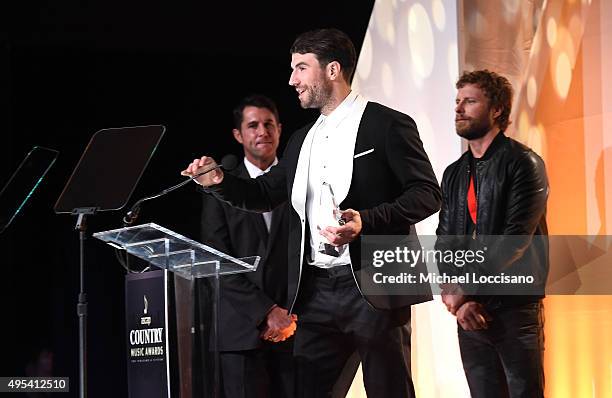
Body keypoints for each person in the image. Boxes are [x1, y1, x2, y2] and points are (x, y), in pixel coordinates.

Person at [183, 28, 441, 397]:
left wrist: (366, 221)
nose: (292, 80)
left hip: (377, 281)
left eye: (301, 68)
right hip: (316, 290)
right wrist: (218, 180)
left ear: (332, 70)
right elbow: (264, 194)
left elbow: (427, 195)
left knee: (389, 389)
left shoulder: (386, 124)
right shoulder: (301, 139)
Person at [437, 69, 549, 397]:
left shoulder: (523, 163)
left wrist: (465, 290)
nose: (458, 109)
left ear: (497, 109)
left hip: (514, 308)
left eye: (470, 101)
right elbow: (445, 241)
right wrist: (455, 298)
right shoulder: (454, 173)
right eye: (457, 101)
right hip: (467, 310)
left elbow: (513, 241)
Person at [198, 94, 296, 398]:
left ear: (280, 129)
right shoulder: (219, 184)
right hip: (241, 333)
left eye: (269, 124)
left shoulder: (299, 177)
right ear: (238, 135)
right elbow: (217, 260)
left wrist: (287, 315)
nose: (262, 132)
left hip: (296, 328)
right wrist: (266, 311)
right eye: (253, 125)